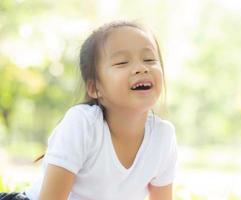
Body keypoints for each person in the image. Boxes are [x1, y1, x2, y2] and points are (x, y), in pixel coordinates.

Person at [0, 20, 177, 200]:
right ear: (94, 88)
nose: (141, 68)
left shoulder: (163, 136)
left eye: (149, 59)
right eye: (122, 62)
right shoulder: (83, 124)